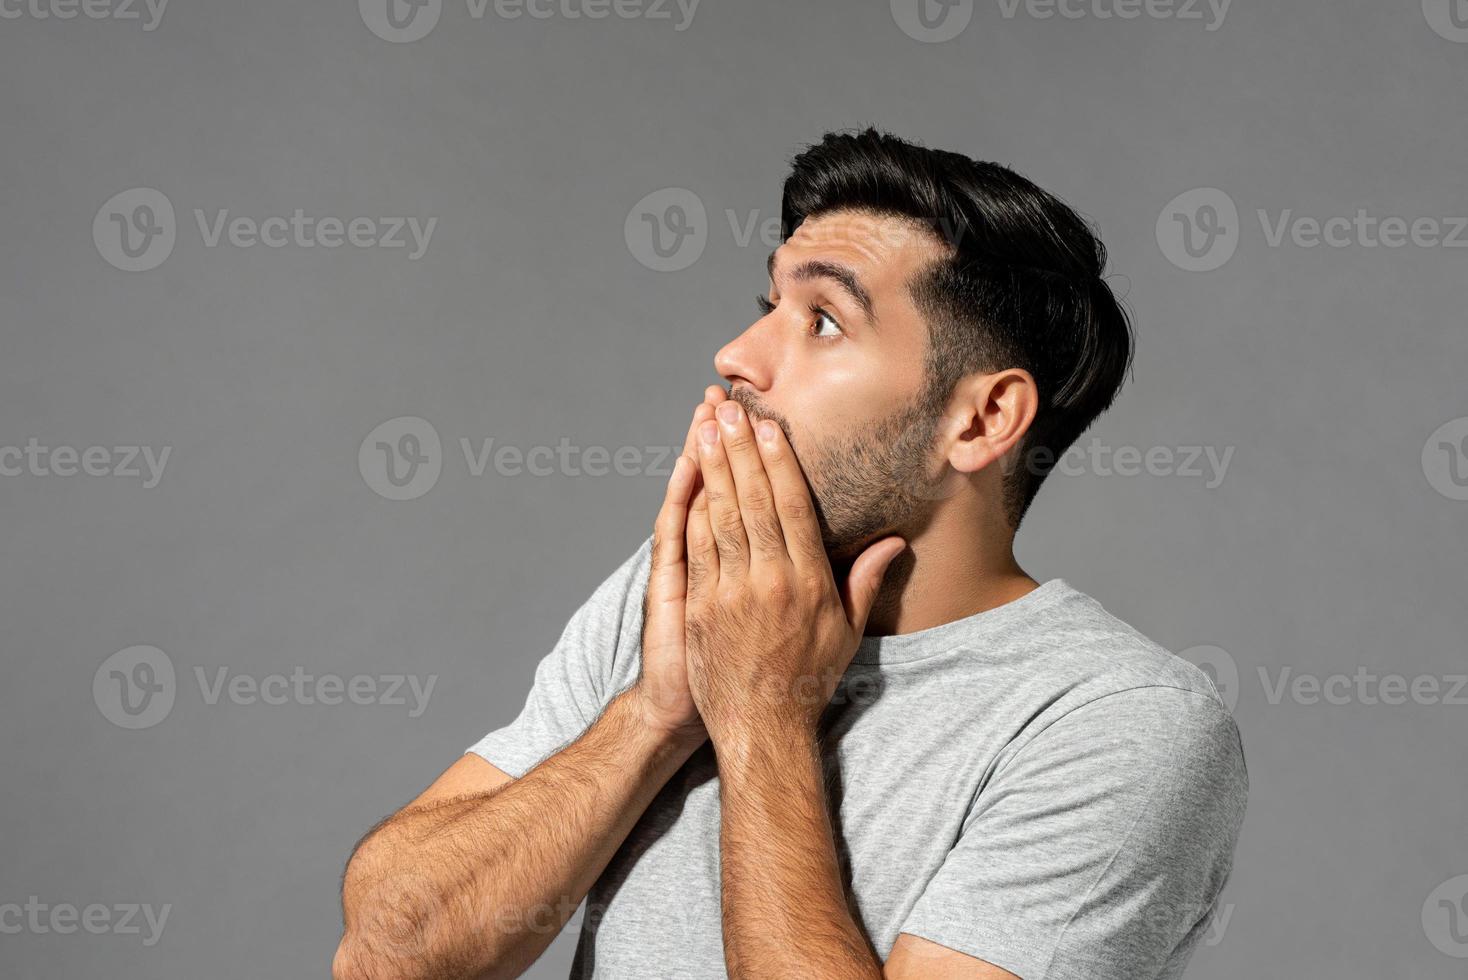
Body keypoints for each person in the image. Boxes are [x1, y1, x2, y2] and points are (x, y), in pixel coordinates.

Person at [333, 128, 1247, 980]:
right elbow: (382, 955)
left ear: (980, 420)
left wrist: (763, 715)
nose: (735, 356)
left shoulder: (1118, 722)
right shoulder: (688, 592)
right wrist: (654, 714)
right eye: (769, 304)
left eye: (822, 322)